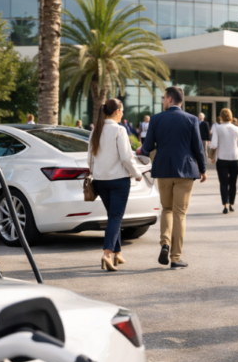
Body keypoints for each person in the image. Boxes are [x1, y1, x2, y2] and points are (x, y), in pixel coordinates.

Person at [139, 87, 207, 270]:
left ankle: (164, 244)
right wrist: (203, 168)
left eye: (163, 98)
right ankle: (176, 257)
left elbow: (146, 148)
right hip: (185, 170)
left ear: (169, 99)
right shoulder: (192, 119)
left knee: (167, 209)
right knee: (180, 213)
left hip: (163, 170)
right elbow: (198, 147)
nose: (163, 101)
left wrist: (146, 151)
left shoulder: (155, 119)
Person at [88, 99, 143, 272]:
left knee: (113, 216)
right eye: (123, 111)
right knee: (115, 217)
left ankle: (117, 253)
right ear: (117, 111)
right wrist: (138, 174)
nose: (123, 114)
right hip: (118, 181)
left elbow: (89, 159)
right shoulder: (119, 130)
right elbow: (127, 158)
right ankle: (107, 253)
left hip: (100, 181)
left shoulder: (95, 131)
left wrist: (94, 173)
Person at [210, 108, 238, 213]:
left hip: (222, 158)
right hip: (235, 158)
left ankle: (225, 204)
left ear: (221, 116)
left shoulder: (217, 128)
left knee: (223, 183)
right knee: (233, 182)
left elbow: (214, 144)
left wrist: (211, 155)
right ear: (230, 116)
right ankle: (232, 204)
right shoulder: (237, 129)